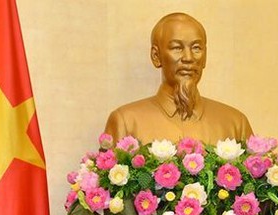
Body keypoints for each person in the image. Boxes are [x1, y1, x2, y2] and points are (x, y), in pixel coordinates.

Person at [104, 12, 253, 145]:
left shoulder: (235, 123)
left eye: (196, 48)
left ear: (205, 56)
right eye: (177, 48)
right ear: (156, 56)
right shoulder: (126, 122)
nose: (188, 58)